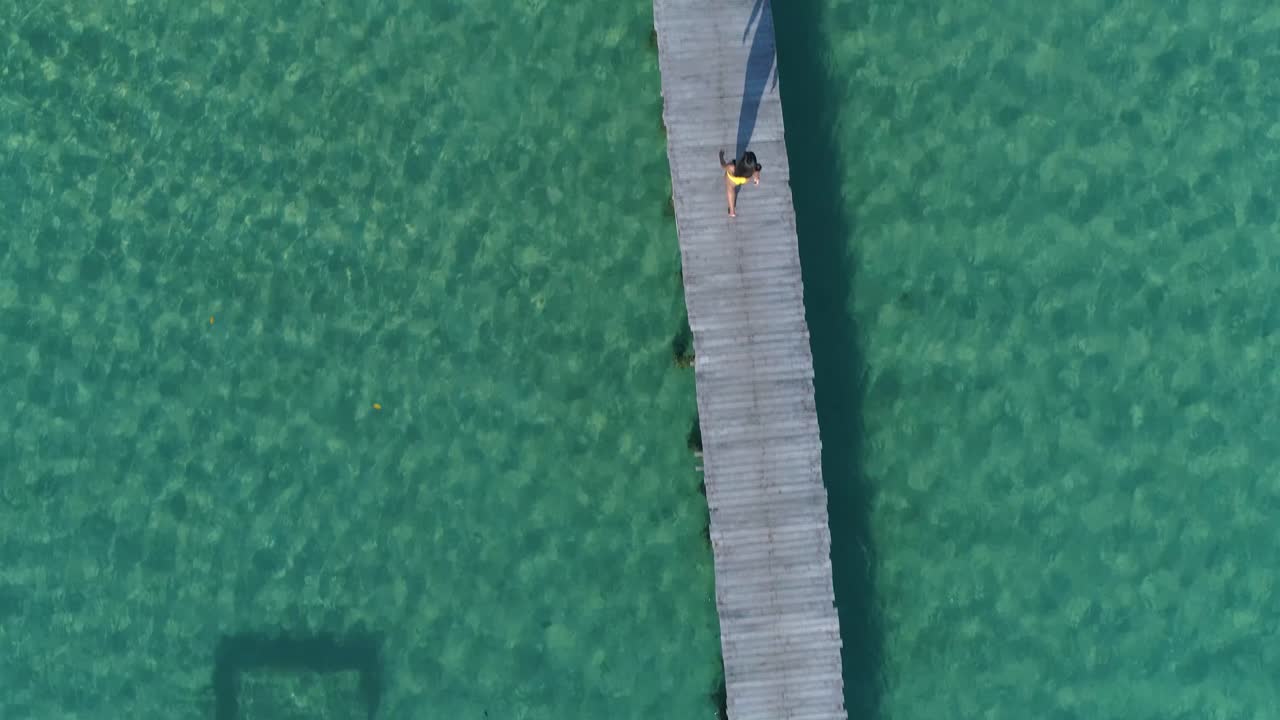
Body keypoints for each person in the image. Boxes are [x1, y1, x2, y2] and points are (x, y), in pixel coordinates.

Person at [719, 149, 762, 217]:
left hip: (732, 180)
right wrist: (757, 178)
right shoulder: (752, 168)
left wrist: (721, 156)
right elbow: (757, 170)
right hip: (745, 180)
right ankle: (732, 211)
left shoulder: (731, 167)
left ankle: (732, 211)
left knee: (730, 190)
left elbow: (723, 165)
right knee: (753, 170)